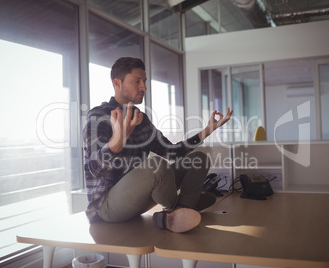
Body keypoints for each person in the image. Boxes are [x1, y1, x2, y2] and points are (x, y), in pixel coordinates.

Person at [83, 57, 233, 233]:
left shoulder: (140, 118)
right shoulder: (98, 117)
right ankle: (179, 209)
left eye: (144, 81)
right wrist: (117, 142)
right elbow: (94, 169)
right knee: (156, 166)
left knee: (199, 158)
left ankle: (182, 209)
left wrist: (208, 130)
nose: (144, 87)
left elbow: (171, 152)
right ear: (117, 83)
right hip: (108, 207)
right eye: (137, 81)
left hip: (140, 197)